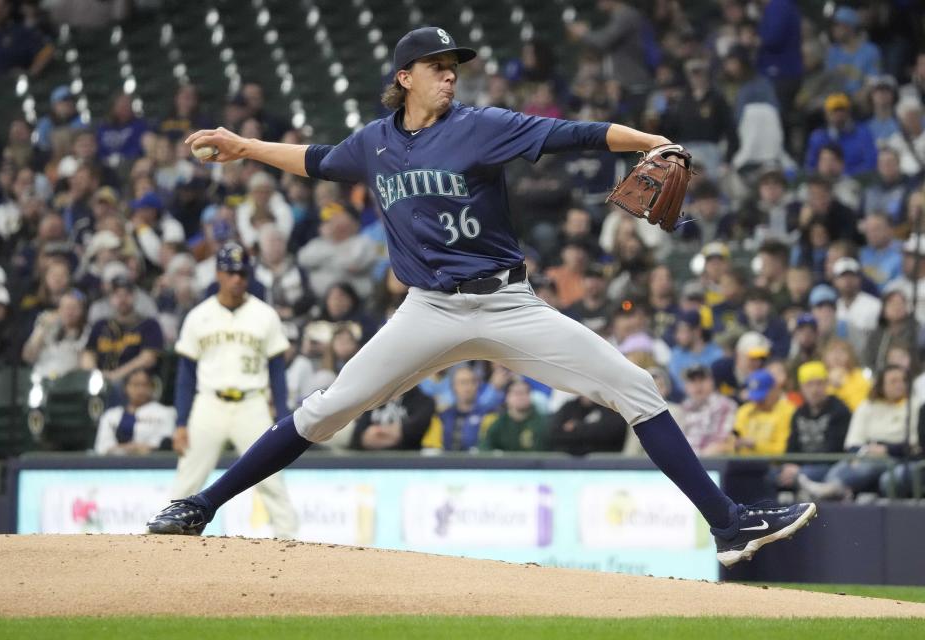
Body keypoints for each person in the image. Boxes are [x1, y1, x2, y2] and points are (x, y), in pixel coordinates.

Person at [146, 27, 816, 567]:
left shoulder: (482, 124)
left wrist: (649, 142)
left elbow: (572, 134)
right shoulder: (374, 144)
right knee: (328, 409)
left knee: (635, 387)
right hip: (428, 310)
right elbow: (317, 159)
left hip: (508, 304)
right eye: (437, 65)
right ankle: (201, 505)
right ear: (404, 77)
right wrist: (242, 147)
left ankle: (727, 526)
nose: (450, 73)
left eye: (453, 65)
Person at [167, 242, 297, 538]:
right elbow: (185, 375)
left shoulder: (265, 315)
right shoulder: (198, 316)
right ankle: (167, 537)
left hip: (252, 404)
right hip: (208, 403)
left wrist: (283, 415)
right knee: (187, 481)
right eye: (230, 272)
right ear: (218, 274)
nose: (237, 278)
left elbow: (277, 372)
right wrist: (181, 422)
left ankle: (291, 543)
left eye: (242, 272)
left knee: (272, 480)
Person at [824, 366, 919, 496]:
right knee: (837, 470)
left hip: (897, 457)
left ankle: (836, 491)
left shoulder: (914, 406)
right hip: (865, 454)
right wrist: (862, 453)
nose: (900, 385)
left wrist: (886, 449)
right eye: (893, 381)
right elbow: (853, 441)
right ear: (881, 385)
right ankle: (834, 490)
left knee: (870, 467)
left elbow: (915, 444)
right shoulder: (867, 406)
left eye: (903, 380)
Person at [775, 361, 851, 497]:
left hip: (830, 466)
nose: (814, 390)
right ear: (801, 388)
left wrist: (798, 468)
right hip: (802, 467)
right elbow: (792, 446)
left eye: (819, 384)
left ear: (827, 385)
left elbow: (833, 450)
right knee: (772, 475)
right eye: (809, 385)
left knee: (805, 474)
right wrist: (789, 465)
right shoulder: (799, 413)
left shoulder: (839, 411)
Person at [80, 275, 163, 388]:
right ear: (110, 298)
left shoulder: (149, 324)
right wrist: (96, 375)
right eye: (117, 295)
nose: (122, 299)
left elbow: (148, 358)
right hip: (101, 382)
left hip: (135, 383)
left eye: (127, 294)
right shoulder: (101, 325)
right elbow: (88, 354)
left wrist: (116, 375)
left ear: (135, 297)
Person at [94, 369, 176, 456]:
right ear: (125, 387)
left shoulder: (166, 412)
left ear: (152, 387)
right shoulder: (110, 415)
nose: (140, 390)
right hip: (114, 465)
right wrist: (130, 448)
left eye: (145, 385)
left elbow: (164, 444)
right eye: (135, 385)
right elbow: (102, 447)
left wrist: (141, 448)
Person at [21, 289, 89, 379]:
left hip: (71, 382)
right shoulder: (47, 327)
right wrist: (42, 329)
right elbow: (28, 357)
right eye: (65, 307)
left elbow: (87, 366)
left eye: (74, 308)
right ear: (59, 310)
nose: (69, 312)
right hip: (42, 380)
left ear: (82, 311)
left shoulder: (87, 332)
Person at [675, 364, 737, 455]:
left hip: (712, 460)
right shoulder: (684, 407)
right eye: (693, 381)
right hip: (686, 459)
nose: (698, 385)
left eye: (702, 380)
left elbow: (721, 442)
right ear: (686, 386)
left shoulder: (725, 405)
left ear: (711, 382)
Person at [350, 386, 436, 451]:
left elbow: (413, 433)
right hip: (368, 463)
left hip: (408, 465)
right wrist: (395, 432)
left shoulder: (424, 401)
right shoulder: (373, 399)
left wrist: (377, 432)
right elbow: (358, 437)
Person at [732, 369, 796, 455]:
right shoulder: (744, 411)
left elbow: (782, 450)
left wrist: (756, 445)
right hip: (742, 463)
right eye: (754, 398)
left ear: (774, 390)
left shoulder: (789, 412)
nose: (757, 402)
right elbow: (734, 441)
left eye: (761, 398)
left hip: (773, 465)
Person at [480, 379, 549, 452]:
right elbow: (485, 448)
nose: (521, 397)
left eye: (525, 393)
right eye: (516, 393)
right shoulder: (498, 424)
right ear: (507, 397)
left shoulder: (542, 423)